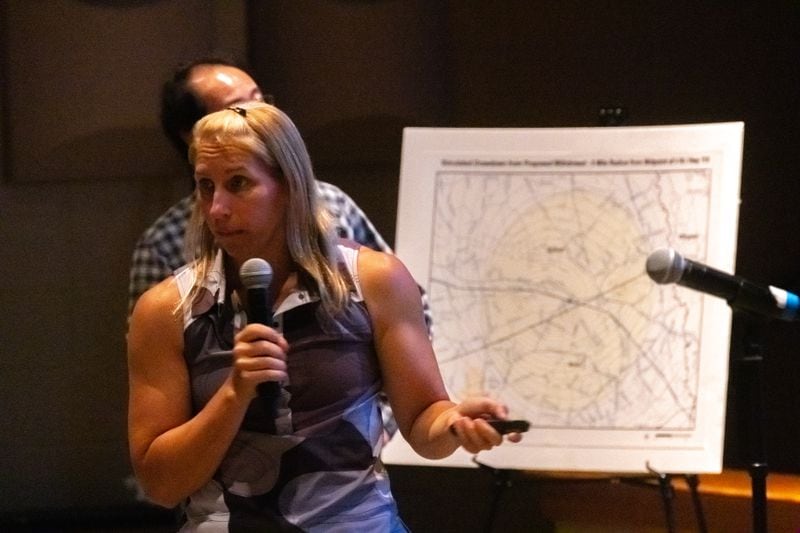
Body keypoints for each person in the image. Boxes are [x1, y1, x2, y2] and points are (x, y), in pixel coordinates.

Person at [127, 102, 521, 531]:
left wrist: (456, 423)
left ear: (290, 186)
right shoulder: (168, 309)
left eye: (238, 183)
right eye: (205, 186)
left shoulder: (373, 281)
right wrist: (234, 393)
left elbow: (425, 419)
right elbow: (161, 485)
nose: (216, 207)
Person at [127, 56, 431, 341]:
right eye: (240, 106)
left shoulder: (332, 204)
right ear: (192, 133)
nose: (260, 114)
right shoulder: (162, 245)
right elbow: (151, 361)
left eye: (260, 99)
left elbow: (413, 311)